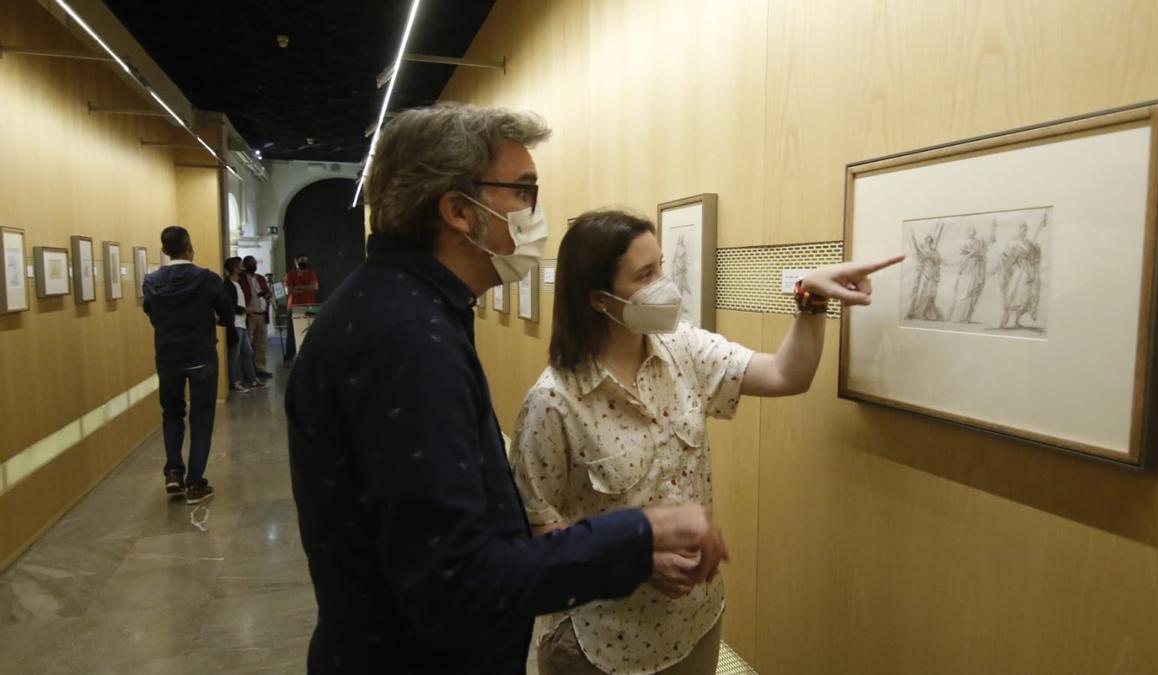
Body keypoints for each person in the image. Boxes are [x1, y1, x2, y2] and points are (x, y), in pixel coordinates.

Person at [286, 103, 730, 674]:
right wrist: (636, 534)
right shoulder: (405, 340)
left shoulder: (406, 310)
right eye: (523, 191)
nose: (533, 212)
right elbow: (455, 584)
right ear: (458, 211)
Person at [509, 209, 902, 674]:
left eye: (661, 267)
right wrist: (633, 558)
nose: (665, 284)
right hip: (603, 644)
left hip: (694, 621)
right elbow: (539, 531)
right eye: (646, 274)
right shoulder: (554, 402)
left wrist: (810, 300)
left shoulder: (683, 350)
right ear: (598, 299)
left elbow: (786, 374)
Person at [142, 226, 233, 505]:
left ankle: (173, 470)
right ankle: (195, 483)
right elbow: (227, 312)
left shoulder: (152, 280)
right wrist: (215, 322)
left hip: (168, 356)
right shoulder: (207, 278)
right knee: (202, 417)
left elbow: (150, 311)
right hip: (201, 355)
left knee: (171, 413)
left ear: (163, 250)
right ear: (189, 246)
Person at [223, 257, 264, 393]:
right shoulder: (228, 285)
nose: (243, 268)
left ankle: (252, 379)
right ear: (235, 269)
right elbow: (229, 306)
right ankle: (234, 383)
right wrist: (244, 309)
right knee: (234, 355)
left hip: (242, 323)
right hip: (235, 324)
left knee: (248, 352)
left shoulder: (239, 283)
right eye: (241, 266)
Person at [241, 255, 274, 378]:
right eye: (251, 263)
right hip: (250, 315)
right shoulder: (242, 279)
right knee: (247, 344)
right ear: (245, 265)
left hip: (262, 313)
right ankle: (247, 370)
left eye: (254, 263)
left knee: (261, 344)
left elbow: (265, 292)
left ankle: (259, 368)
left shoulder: (260, 278)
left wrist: (267, 294)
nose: (253, 265)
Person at [283, 253, 318, 362]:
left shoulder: (311, 274)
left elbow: (315, 287)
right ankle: (290, 355)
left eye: (305, 260)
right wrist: (307, 288)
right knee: (292, 332)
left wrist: (299, 287)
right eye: (301, 260)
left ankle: (308, 354)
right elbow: (288, 291)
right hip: (294, 306)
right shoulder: (290, 275)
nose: (303, 262)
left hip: (309, 306)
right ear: (296, 261)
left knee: (309, 330)